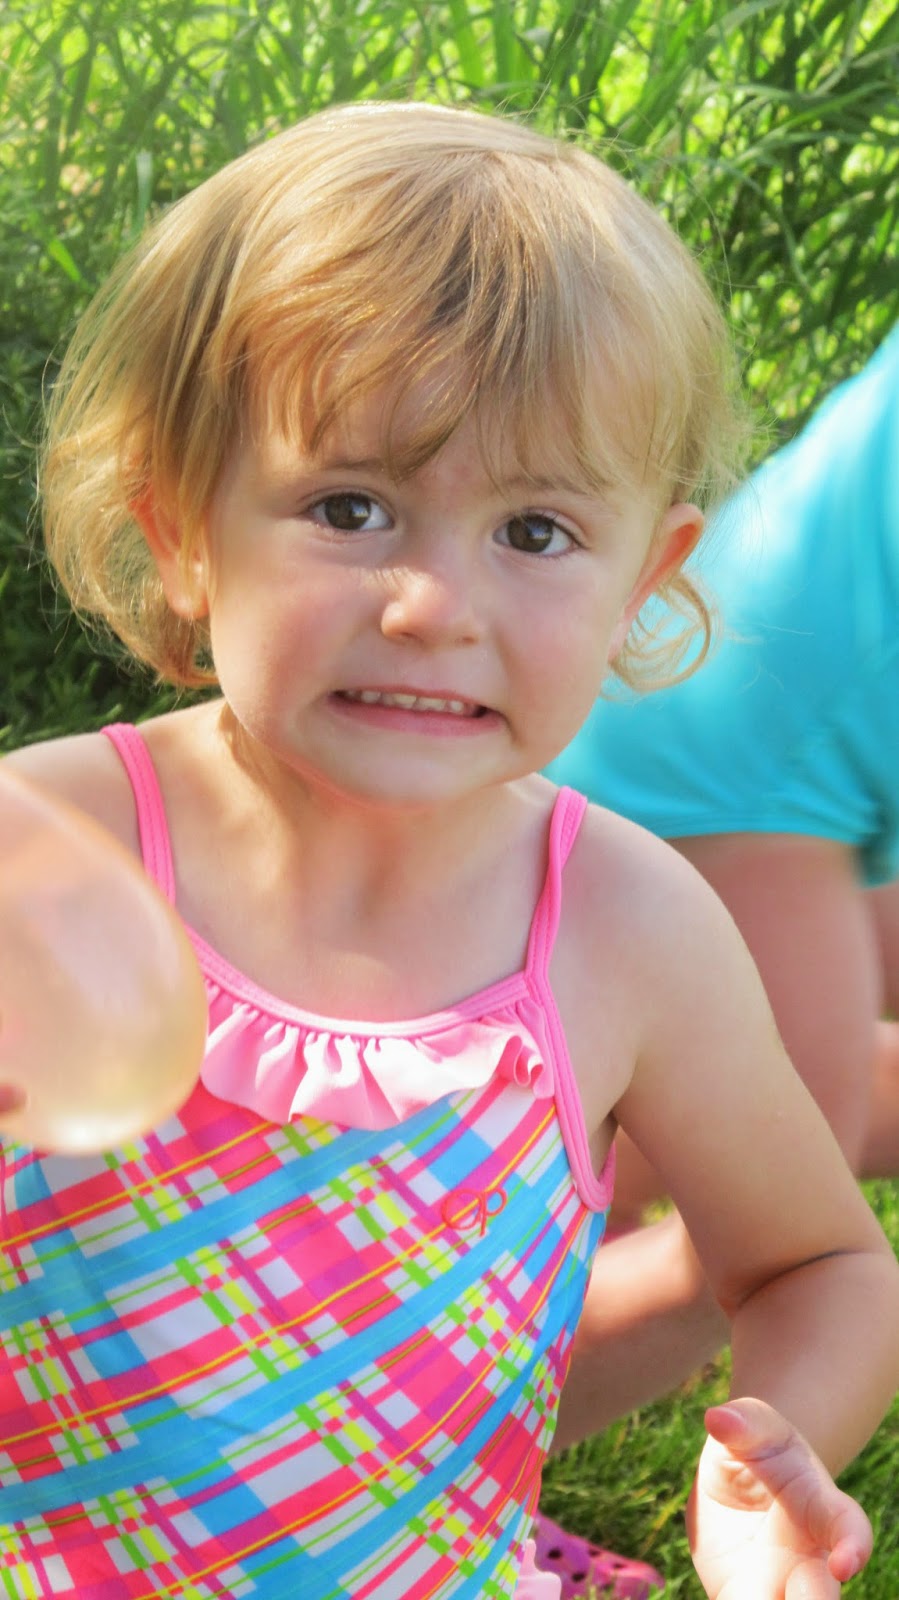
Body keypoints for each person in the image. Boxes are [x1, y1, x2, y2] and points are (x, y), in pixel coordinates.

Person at [2, 101, 898, 1600]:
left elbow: (816, 1262)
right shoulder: (48, 855)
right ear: (182, 528)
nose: (431, 607)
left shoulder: (625, 928)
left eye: (534, 533)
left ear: (644, 577)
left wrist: (775, 1455)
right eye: (349, 508)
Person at [544, 324, 899, 1584]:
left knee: (635, 1128)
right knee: (733, 1219)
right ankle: (415, 1488)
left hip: (799, 727)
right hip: (748, 747)